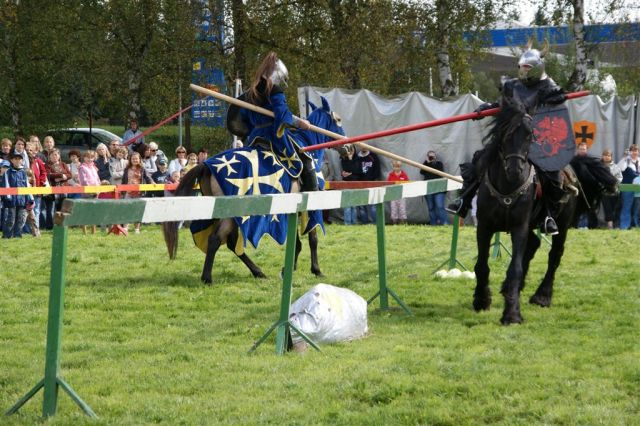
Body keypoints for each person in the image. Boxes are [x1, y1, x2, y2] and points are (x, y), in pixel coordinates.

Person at [447, 40, 568, 235]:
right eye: (522, 67)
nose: (524, 71)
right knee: (480, 158)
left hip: (534, 136)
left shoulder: (547, 85)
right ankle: (464, 200)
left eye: (528, 67)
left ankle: (547, 215)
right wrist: (486, 107)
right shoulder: (511, 85)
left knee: (552, 173)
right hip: (510, 137)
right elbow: (500, 104)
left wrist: (552, 96)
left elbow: (559, 99)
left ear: (537, 69)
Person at [228, 51, 317, 192]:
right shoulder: (274, 90)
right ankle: (312, 196)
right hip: (274, 136)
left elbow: (244, 119)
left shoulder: (251, 92)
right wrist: (299, 123)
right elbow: (282, 114)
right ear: (275, 75)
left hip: (255, 137)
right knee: (306, 159)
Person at [1, 153, 33, 238]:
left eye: (19, 159)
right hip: (11, 200)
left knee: (21, 219)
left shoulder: (23, 173)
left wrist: (30, 198)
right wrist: (8, 197)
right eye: (15, 159)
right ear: (12, 160)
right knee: (11, 219)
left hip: (22, 200)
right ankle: (7, 235)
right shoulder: (8, 172)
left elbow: (27, 185)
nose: (18, 160)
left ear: (22, 161)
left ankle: (17, 235)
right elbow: (6, 185)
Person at [122, 151, 153, 233]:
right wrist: (122, 190)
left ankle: (137, 229)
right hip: (128, 193)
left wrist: (153, 183)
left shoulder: (142, 169)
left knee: (138, 211)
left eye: (136, 158)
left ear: (139, 159)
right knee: (126, 210)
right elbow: (123, 181)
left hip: (139, 193)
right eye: (133, 158)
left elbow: (148, 178)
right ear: (130, 160)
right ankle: (125, 228)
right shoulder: (126, 169)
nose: (135, 160)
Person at [44, 148, 71, 230]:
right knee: (51, 209)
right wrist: (61, 175)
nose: (54, 156)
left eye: (56, 154)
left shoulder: (63, 164)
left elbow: (70, 175)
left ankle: (62, 225)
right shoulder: (47, 165)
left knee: (62, 208)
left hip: (63, 190)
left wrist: (63, 178)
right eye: (52, 155)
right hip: (52, 190)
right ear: (49, 156)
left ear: (59, 155)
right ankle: (50, 227)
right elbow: (48, 175)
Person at [421, 150, 449, 225]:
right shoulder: (426, 164)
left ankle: (445, 224)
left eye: (433, 156)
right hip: (428, 188)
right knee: (431, 207)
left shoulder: (439, 163)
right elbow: (422, 172)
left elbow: (440, 172)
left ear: (435, 156)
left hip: (439, 187)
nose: (431, 157)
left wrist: (432, 162)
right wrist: (426, 162)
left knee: (439, 206)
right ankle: (433, 224)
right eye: (430, 156)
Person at [78, 150, 101, 234]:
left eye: (92, 157)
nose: (90, 159)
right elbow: (84, 181)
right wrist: (90, 191)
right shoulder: (82, 167)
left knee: (94, 212)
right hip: (87, 193)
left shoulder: (94, 167)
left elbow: (97, 179)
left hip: (96, 192)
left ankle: (93, 231)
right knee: (86, 212)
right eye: (88, 157)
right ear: (84, 158)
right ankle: (84, 231)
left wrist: (98, 189)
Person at [355, 147, 380, 224]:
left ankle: (375, 223)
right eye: (361, 145)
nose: (363, 147)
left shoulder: (373, 156)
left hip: (371, 183)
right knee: (362, 206)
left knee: (373, 205)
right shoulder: (357, 157)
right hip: (360, 184)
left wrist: (373, 180)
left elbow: (377, 169)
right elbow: (354, 169)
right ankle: (364, 223)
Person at [617, 144, 639, 230]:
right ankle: (625, 226)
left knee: (637, 208)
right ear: (630, 152)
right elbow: (620, 168)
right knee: (626, 207)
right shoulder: (626, 161)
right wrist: (625, 157)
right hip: (627, 187)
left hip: (638, 188)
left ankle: (635, 225)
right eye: (633, 150)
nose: (634, 152)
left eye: (636, 150)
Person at [601, 149, 622, 229]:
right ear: (602, 156)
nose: (607, 157)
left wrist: (614, 184)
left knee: (616, 208)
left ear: (611, 157)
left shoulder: (616, 167)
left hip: (615, 191)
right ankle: (610, 225)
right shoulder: (599, 166)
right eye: (605, 155)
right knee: (607, 208)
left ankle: (616, 224)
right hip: (604, 191)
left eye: (608, 155)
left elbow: (620, 178)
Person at [340, 144, 359, 225]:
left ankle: (354, 223)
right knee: (347, 205)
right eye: (349, 150)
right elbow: (346, 170)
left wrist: (351, 159)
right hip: (346, 183)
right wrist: (349, 173)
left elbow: (357, 171)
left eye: (352, 149)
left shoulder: (357, 159)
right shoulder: (343, 159)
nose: (351, 152)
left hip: (354, 183)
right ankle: (347, 223)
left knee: (354, 205)